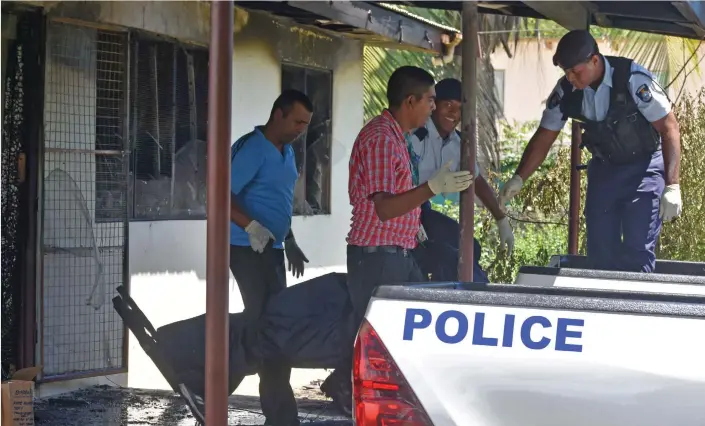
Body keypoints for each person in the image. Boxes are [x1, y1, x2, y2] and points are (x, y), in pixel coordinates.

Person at [320, 66, 474, 414]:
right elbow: (385, 208)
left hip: (398, 251)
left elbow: (397, 200)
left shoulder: (399, 137)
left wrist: (416, 219)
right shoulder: (380, 139)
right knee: (381, 339)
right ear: (411, 101)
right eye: (431, 101)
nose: (434, 109)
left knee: (411, 329)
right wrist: (431, 188)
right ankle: (354, 395)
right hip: (377, 256)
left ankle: (380, 398)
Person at [497, 30, 682, 273]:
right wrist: (519, 177)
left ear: (594, 60)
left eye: (576, 71)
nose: (571, 77)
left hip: (644, 169)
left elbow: (669, 128)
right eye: (566, 72)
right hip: (605, 172)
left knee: (637, 253)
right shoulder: (566, 92)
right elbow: (544, 137)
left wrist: (672, 186)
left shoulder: (632, 79)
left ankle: (632, 309)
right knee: (600, 253)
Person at [228, 89, 313, 426]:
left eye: (306, 124)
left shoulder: (287, 151)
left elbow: (278, 199)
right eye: (297, 121)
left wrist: (288, 239)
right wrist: (250, 226)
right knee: (269, 328)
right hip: (246, 249)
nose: (301, 129)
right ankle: (280, 416)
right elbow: (220, 193)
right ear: (278, 113)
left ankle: (279, 414)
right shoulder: (252, 148)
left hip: (273, 250)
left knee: (278, 325)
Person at [408, 78, 514, 283]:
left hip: (423, 210)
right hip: (401, 209)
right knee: (446, 257)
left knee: (470, 247)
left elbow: (475, 180)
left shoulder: (457, 143)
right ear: (433, 105)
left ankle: (476, 292)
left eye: (459, 108)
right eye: (447, 105)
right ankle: (457, 295)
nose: (453, 113)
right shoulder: (416, 135)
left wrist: (501, 219)